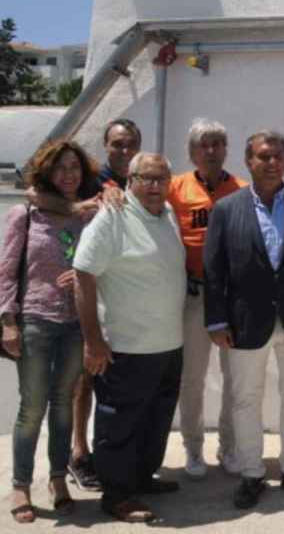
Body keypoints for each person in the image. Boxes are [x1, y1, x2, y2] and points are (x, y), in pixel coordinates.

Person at [203, 130, 284, 509]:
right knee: (246, 400)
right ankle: (251, 474)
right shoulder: (227, 209)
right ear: (248, 161)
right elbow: (215, 272)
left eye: (278, 155)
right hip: (245, 323)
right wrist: (216, 321)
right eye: (263, 156)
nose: (272, 162)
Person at [25, 118, 141, 493]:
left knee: (118, 377)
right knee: (84, 378)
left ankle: (119, 456)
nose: (124, 151)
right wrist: (78, 210)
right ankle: (79, 453)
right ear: (106, 147)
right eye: (117, 144)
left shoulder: (143, 180)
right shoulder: (93, 182)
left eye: (130, 144)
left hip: (125, 294)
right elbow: (32, 195)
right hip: (86, 297)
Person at [73, 153, 186, 523]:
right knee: (119, 425)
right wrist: (93, 341)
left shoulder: (167, 213)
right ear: (130, 181)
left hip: (168, 344)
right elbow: (84, 275)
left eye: (161, 178)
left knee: (155, 420)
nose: (154, 186)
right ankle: (117, 495)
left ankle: (140, 479)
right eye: (146, 179)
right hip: (126, 348)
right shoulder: (113, 216)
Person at [1, 141, 96, 523]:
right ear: (46, 172)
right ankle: (21, 484)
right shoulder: (24, 214)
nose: (69, 174)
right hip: (36, 321)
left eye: (74, 166)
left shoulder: (89, 215)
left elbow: (103, 262)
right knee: (32, 408)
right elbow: (6, 271)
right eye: (60, 167)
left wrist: (85, 276)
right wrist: (8, 321)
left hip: (76, 323)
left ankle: (58, 479)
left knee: (63, 406)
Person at [167, 118, 247, 479]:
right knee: (192, 378)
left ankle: (229, 447)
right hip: (194, 294)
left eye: (217, 144)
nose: (211, 151)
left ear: (226, 149)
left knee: (236, 378)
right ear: (192, 151)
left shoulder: (242, 189)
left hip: (233, 298)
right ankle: (193, 448)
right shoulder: (174, 188)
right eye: (204, 145)